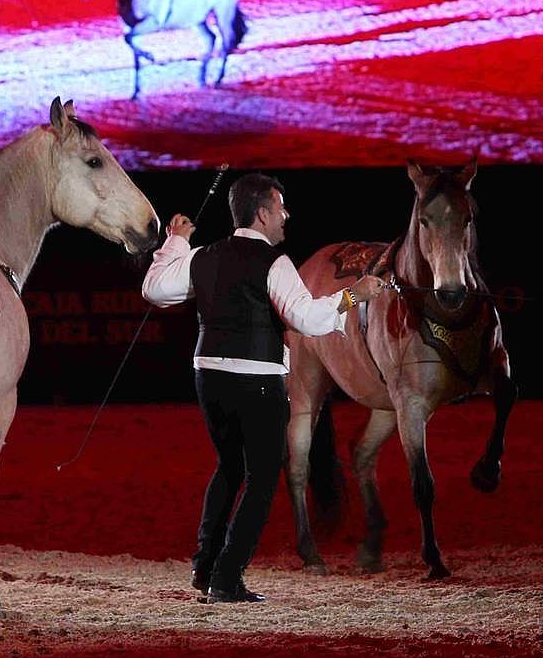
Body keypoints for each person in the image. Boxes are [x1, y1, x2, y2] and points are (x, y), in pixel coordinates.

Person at [142, 173, 384, 603]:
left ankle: (204, 565)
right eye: (281, 207)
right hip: (256, 380)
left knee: (228, 467)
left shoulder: (203, 256)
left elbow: (155, 289)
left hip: (208, 375)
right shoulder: (276, 263)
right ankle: (226, 577)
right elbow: (307, 320)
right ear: (262, 213)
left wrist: (176, 241)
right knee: (260, 477)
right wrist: (354, 296)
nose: (286, 215)